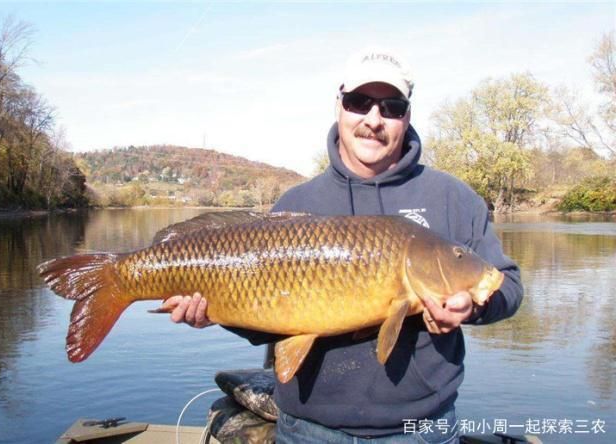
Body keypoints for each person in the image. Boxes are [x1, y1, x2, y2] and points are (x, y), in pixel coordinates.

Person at [162, 47, 523, 443]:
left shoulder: (452, 198)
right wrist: (214, 312)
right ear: (339, 106)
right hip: (308, 430)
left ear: (407, 115)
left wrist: (472, 307)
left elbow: (505, 285)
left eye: (391, 106)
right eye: (359, 102)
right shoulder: (297, 204)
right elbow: (263, 323)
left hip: (422, 430)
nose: (373, 119)